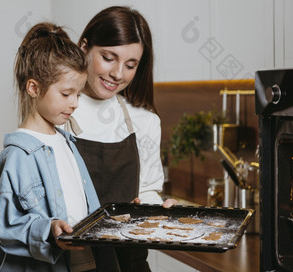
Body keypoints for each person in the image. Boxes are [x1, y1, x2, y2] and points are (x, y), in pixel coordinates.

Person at [65, 6, 177, 271]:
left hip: (129, 262)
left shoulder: (145, 121)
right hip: (74, 262)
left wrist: (160, 210)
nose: (117, 74)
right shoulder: (58, 114)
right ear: (84, 47)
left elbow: (146, 190)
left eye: (130, 65)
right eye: (108, 57)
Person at [0, 22, 101, 272]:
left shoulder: (66, 141)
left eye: (78, 95)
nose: (74, 104)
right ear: (33, 87)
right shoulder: (18, 155)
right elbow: (7, 226)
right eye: (66, 94)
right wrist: (48, 230)